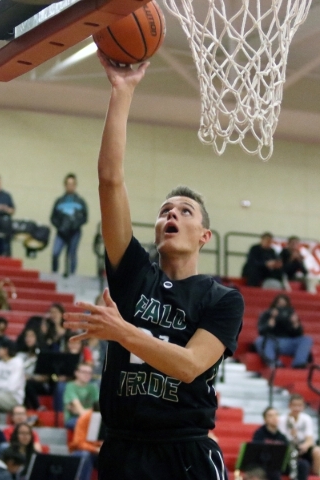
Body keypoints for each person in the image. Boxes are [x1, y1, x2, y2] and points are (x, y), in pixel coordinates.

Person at [63, 52, 244, 480]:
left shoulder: (223, 299)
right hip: (123, 447)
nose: (172, 216)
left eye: (185, 211)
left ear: (204, 236)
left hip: (185, 452)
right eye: (165, 210)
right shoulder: (133, 274)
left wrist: (120, 331)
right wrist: (122, 91)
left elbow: (187, 366)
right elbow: (110, 178)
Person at [254, 294, 312, 368]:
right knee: (260, 340)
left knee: (307, 339)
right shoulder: (266, 314)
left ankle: (299, 364)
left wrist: (295, 324)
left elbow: (299, 334)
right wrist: (269, 324)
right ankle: (274, 363)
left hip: (289, 342)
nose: (281, 307)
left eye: (284, 304)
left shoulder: (291, 315)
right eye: (279, 304)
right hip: (272, 341)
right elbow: (261, 332)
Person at [252, 406, 309, 480]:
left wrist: (295, 438)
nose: (274, 418)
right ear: (265, 420)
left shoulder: (281, 436)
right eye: (271, 416)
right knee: (273, 470)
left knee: (303, 465)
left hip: (281, 464)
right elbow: (256, 452)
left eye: (276, 415)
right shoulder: (259, 434)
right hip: (265, 465)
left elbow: (289, 452)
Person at [50, 173, 88, 277]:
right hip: (61, 233)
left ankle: (72, 276)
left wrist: (75, 225)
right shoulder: (59, 201)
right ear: (65, 185)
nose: (70, 186)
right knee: (55, 253)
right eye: (68, 184)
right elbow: (53, 217)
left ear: (75, 185)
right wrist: (60, 226)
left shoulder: (80, 202)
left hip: (75, 233)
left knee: (72, 254)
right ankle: (54, 274)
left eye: (72, 184)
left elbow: (85, 217)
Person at [279, 393, 320, 476]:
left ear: (303, 406)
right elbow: (281, 438)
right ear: (289, 406)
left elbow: (309, 438)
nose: (297, 408)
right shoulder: (282, 419)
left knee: (317, 451)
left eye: (299, 405)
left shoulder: (306, 419)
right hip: (289, 446)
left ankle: (317, 475)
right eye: (294, 405)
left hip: (302, 446)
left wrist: (306, 445)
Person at [16, 328, 51, 411]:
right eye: (27, 336)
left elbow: (45, 377)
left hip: (39, 385)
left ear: (37, 338)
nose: (28, 339)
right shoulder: (20, 355)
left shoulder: (42, 355)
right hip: (20, 383)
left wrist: (30, 377)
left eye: (31, 336)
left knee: (28, 384)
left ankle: (37, 407)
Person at [69, 401, 103, 480]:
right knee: (85, 455)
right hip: (84, 451)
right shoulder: (85, 418)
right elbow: (78, 443)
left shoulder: (111, 419)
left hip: (101, 452)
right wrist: (95, 449)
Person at [63, 362, 99, 430]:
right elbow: (81, 412)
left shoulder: (93, 387)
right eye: (84, 372)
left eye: (89, 373)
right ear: (76, 373)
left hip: (90, 418)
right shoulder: (70, 386)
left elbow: (99, 409)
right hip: (73, 418)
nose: (87, 375)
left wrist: (81, 411)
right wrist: (90, 411)